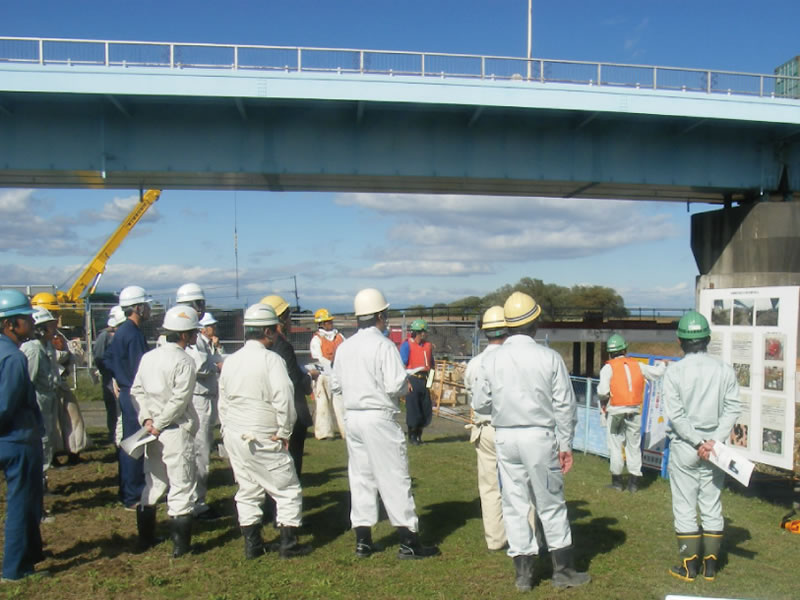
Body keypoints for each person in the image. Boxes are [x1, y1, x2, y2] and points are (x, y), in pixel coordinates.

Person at [479, 291, 590, 592]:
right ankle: (563, 571)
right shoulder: (549, 357)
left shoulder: (490, 360)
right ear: (535, 323)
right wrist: (565, 444)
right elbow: (565, 406)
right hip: (539, 437)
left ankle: (524, 574)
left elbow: (479, 403)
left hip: (506, 436)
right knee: (550, 502)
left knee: (515, 504)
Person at [333, 288, 440, 559]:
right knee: (393, 477)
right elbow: (395, 385)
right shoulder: (383, 345)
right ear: (380, 315)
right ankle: (408, 542)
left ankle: (363, 541)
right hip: (378, 417)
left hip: (353, 417)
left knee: (361, 477)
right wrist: (406, 385)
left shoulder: (345, 346)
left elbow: (336, 384)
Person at [218, 303, 311, 559]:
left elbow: (223, 400)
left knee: (248, 489)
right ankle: (288, 545)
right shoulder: (272, 360)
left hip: (236, 433)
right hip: (262, 433)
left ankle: (253, 545)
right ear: (268, 331)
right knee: (287, 488)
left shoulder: (231, 361)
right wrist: (284, 431)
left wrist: (227, 430)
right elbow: (284, 397)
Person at [663, 310, 740, 582]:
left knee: (684, 505)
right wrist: (712, 442)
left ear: (680, 340)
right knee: (712, 503)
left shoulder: (674, 372)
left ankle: (688, 566)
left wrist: (697, 441)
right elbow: (732, 408)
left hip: (686, 446)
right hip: (715, 447)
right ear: (707, 338)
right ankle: (710, 567)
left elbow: (676, 415)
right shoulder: (724, 369)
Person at [131, 306, 200, 558]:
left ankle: (145, 539)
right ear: (185, 335)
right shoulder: (184, 361)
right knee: (181, 484)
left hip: (152, 430)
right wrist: (159, 422)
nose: (194, 336)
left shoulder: (149, 357)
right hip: (173, 429)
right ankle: (181, 548)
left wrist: (147, 419)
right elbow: (180, 401)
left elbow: (137, 391)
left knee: (154, 482)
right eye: (193, 332)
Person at [0, 290, 47, 581]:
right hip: (17, 440)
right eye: (26, 318)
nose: (31, 322)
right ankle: (15, 569)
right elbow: (5, 405)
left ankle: (30, 555)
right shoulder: (14, 359)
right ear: (10, 325)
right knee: (21, 504)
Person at [175, 283, 222, 520]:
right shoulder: (189, 335)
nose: (202, 308)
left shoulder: (193, 334)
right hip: (197, 397)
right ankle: (196, 503)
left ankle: (193, 498)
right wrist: (218, 364)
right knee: (199, 451)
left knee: (199, 450)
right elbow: (199, 364)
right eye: (199, 303)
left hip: (201, 397)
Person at [597, 333, 665, 492]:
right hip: (634, 412)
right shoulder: (637, 365)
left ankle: (617, 482)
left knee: (615, 445)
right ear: (625, 349)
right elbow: (657, 373)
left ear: (610, 352)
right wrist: (662, 364)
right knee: (633, 447)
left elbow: (602, 392)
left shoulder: (608, 368)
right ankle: (633, 483)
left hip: (615, 412)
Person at [104, 285, 152, 510]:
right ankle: (133, 494)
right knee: (135, 444)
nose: (149, 309)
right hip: (133, 394)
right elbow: (140, 369)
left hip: (125, 391)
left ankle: (128, 490)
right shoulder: (132, 334)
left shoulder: (123, 331)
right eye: (146, 305)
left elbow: (108, 360)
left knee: (128, 441)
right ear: (138, 308)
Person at [260, 295, 313, 477]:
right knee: (292, 457)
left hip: (271, 408)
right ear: (280, 318)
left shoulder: (264, 346)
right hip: (291, 410)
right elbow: (292, 380)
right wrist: (307, 377)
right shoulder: (282, 346)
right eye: (288, 315)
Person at [21, 308, 60, 484]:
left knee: (48, 435)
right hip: (38, 398)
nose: (54, 328)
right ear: (41, 328)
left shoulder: (47, 346)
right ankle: (39, 481)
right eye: (50, 325)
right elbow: (28, 379)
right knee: (41, 438)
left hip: (48, 396)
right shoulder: (33, 349)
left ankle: (42, 477)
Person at [309, 308, 345, 440]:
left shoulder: (339, 337)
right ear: (321, 324)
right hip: (323, 375)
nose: (330, 324)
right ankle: (325, 433)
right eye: (328, 322)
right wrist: (331, 364)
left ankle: (346, 432)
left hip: (339, 374)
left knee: (341, 404)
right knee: (323, 404)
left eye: (330, 321)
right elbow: (317, 357)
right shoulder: (316, 339)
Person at [398, 319, 433, 445]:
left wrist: (429, 384)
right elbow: (401, 365)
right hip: (412, 380)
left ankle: (419, 436)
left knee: (425, 409)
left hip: (424, 381)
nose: (425, 334)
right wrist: (406, 382)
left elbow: (431, 366)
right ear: (419, 332)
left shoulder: (428, 346)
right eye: (423, 332)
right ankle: (412, 437)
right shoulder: (407, 345)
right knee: (414, 410)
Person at [94, 305, 125, 444]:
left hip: (121, 378)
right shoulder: (104, 336)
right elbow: (99, 357)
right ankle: (113, 435)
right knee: (113, 408)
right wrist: (107, 371)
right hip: (109, 378)